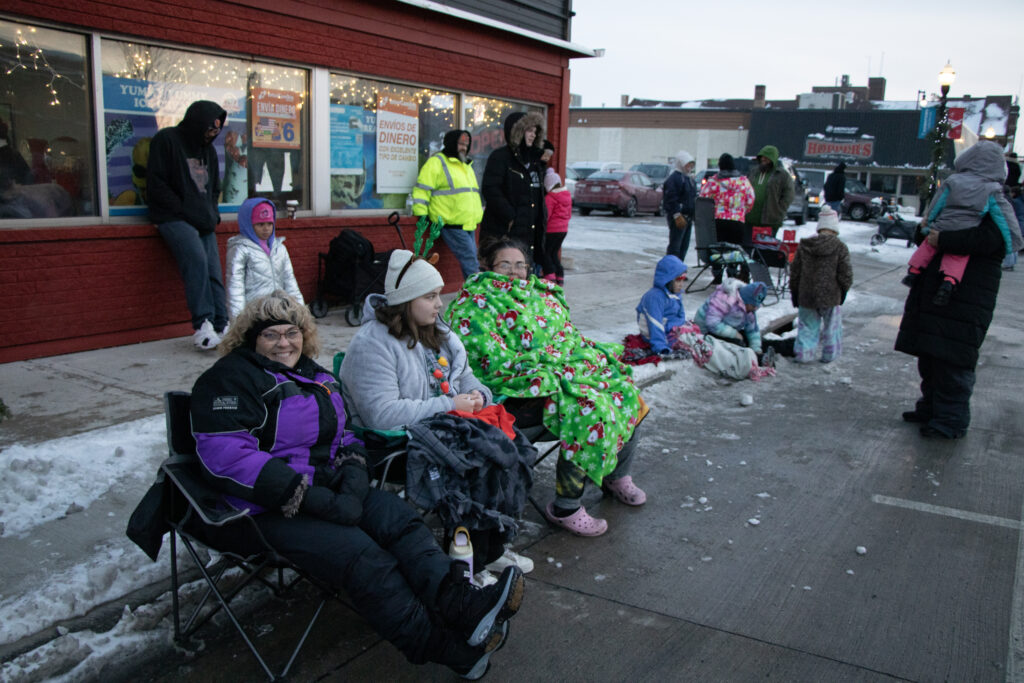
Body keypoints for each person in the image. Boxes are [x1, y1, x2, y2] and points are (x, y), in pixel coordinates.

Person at [189, 290, 525, 679]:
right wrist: (308, 497)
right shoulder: (229, 379)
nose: (284, 343)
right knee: (364, 557)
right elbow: (228, 456)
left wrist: (352, 481)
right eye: (271, 334)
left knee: (400, 520)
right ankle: (442, 647)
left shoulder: (315, 376)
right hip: (261, 507)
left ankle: (461, 605)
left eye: (292, 332)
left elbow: (346, 436)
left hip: (328, 487)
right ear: (251, 337)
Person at [340, 248, 535, 579]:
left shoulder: (438, 333)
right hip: (394, 443)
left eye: (438, 294)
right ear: (405, 301)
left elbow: (466, 377)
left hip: (444, 427)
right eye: (430, 296)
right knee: (477, 458)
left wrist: (479, 395)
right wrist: (450, 405)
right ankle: (468, 561)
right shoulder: (372, 344)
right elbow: (381, 415)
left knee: (509, 447)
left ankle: (490, 549)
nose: (439, 304)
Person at [447, 238, 649, 538]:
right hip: (514, 394)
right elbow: (487, 359)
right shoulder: (474, 303)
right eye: (505, 265)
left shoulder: (541, 295)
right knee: (587, 409)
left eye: (520, 265)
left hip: (557, 371)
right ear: (486, 266)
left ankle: (616, 475)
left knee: (626, 393)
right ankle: (566, 507)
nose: (514, 272)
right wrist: (546, 368)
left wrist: (571, 361)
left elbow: (565, 336)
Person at [896, 145, 1022, 440]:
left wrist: (943, 239)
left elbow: (994, 240)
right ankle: (931, 408)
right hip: (936, 289)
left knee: (952, 360)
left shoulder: (995, 200)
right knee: (930, 355)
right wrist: (925, 233)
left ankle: (951, 419)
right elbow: (930, 228)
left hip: (966, 295)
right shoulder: (952, 193)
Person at [147, 100, 230, 351]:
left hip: (202, 219)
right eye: (209, 129)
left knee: (214, 268)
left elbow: (214, 188)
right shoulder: (167, 140)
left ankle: (222, 324)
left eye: (216, 131)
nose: (212, 134)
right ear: (198, 123)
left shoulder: (208, 151)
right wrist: (186, 211)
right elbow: (157, 184)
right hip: (172, 217)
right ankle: (203, 324)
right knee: (196, 260)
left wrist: (213, 214)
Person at [902, 141, 1023, 306]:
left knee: (935, 248)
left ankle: (915, 270)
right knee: (956, 257)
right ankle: (949, 280)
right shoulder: (992, 192)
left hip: (961, 303)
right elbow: (1006, 224)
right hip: (930, 297)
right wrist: (1015, 242)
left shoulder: (954, 182)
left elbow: (987, 239)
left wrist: (930, 228)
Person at [479, 112, 553, 274]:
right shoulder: (500, 157)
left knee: (526, 280)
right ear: (517, 131)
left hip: (531, 235)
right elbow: (490, 189)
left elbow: (538, 195)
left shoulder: (535, 162)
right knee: (502, 280)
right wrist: (510, 216)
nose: (533, 135)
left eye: (535, 131)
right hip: (505, 233)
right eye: (529, 130)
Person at [411, 129, 484, 279]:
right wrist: (421, 214)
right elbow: (422, 190)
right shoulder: (437, 162)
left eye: (466, 145)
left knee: (471, 261)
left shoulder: (465, 165)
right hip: (450, 222)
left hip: (468, 224)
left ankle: (473, 290)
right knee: (471, 262)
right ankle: (477, 291)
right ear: (451, 143)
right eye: (461, 144)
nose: (464, 148)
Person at [789, 206, 853, 363]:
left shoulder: (805, 246)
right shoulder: (840, 247)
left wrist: (795, 292)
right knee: (832, 328)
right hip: (830, 295)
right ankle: (829, 355)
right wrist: (843, 290)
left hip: (807, 294)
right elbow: (845, 273)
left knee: (807, 327)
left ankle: (804, 354)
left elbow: (795, 272)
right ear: (834, 228)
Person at [225, 197, 304, 319]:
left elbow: (290, 282)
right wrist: (238, 322)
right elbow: (235, 289)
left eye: (270, 223)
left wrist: (301, 313)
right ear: (248, 224)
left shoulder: (280, 249)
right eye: (260, 224)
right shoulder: (240, 250)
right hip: (254, 316)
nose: (266, 228)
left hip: (279, 312)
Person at [698, 153, 756, 282]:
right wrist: (742, 211)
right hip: (737, 222)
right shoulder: (743, 182)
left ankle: (717, 275)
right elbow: (751, 199)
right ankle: (732, 273)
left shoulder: (713, 182)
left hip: (717, 222)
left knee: (717, 249)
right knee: (734, 249)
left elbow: (703, 199)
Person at [693, 280, 768, 360]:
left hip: (725, 328)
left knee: (751, 339)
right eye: (753, 306)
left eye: (757, 306)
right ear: (746, 300)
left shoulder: (749, 309)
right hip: (705, 331)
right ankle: (752, 360)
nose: (755, 308)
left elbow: (752, 330)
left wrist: (756, 348)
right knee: (737, 345)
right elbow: (712, 323)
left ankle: (768, 351)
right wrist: (734, 334)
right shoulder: (725, 298)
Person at [636, 254, 688, 355]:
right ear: (668, 279)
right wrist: (661, 347)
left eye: (683, 279)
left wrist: (676, 327)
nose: (681, 284)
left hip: (669, 328)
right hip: (654, 334)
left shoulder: (675, 294)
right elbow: (654, 323)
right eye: (678, 280)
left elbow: (681, 316)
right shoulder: (654, 297)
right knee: (690, 343)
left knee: (694, 335)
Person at [745, 145, 794, 238]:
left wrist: (779, 210)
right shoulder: (754, 172)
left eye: (766, 157)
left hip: (770, 221)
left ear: (773, 158)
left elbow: (789, 195)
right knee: (747, 245)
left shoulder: (782, 175)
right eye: (762, 157)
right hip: (749, 220)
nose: (763, 159)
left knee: (766, 246)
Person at [662, 150, 697, 263]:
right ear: (681, 164)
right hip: (678, 217)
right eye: (687, 165)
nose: (689, 168)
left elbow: (692, 197)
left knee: (684, 246)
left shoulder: (689, 179)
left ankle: (679, 267)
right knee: (675, 246)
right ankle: (672, 268)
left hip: (688, 217)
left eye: (691, 165)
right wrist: (676, 214)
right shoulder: (674, 179)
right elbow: (670, 199)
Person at [543, 167, 571, 285]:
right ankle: (560, 276)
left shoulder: (550, 197)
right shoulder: (566, 196)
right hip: (563, 230)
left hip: (551, 230)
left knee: (546, 253)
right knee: (554, 253)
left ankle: (550, 276)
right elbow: (569, 214)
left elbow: (547, 215)